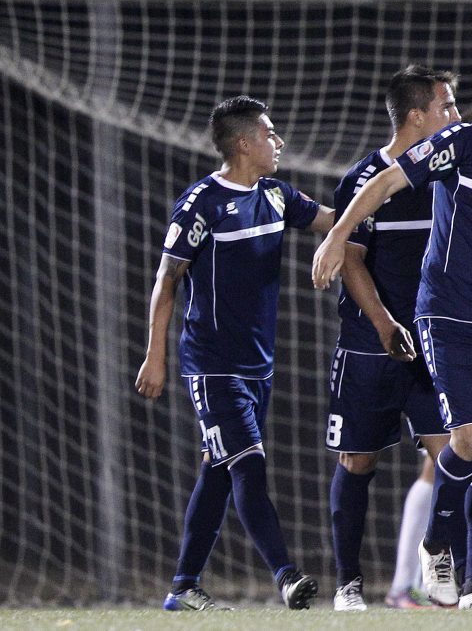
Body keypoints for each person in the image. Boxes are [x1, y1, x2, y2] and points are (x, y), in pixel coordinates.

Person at [312, 64, 472, 610]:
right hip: (446, 316)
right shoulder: (464, 142)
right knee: (468, 438)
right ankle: (430, 549)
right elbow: (387, 180)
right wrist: (336, 236)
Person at [135, 95, 334, 611]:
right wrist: (154, 356)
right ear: (245, 144)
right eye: (270, 134)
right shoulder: (201, 202)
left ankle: (183, 586)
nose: (278, 142)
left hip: (258, 366)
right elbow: (166, 280)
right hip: (213, 364)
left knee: (218, 470)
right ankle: (287, 576)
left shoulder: (275, 195)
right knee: (248, 464)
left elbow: (332, 221)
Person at [326, 65, 460, 611]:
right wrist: (385, 324)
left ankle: (449, 576)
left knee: (455, 456)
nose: (454, 117)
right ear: (416, 116)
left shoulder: (449, 175)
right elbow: (352, 261)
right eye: (446, 107)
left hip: (432, 347)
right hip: (372, 345)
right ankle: (348, 585)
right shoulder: (364, 180)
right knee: (357, 462)